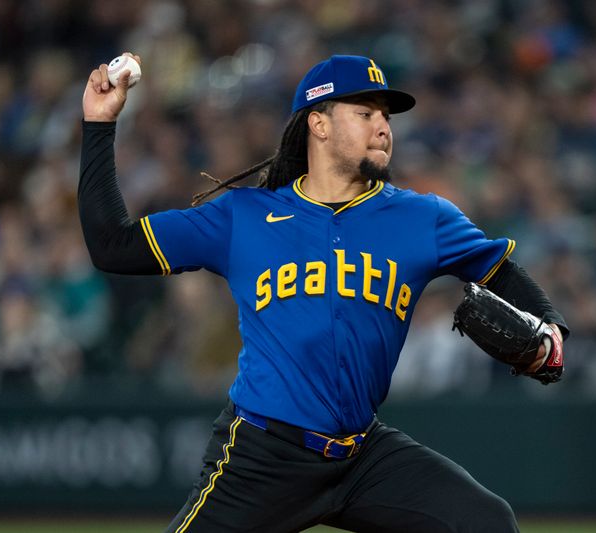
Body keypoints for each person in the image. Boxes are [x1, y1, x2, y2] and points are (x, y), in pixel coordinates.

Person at [79, 53, 568, 533]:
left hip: (363, 458)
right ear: (319, 124)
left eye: (385, 115)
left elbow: (499, 271)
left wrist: (549, 330)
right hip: (264, 457)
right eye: (365, 112)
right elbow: (112, 245)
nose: (383, 127)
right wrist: (99, 126)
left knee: (485, 522)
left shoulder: (424, 218)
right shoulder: (243, 217)